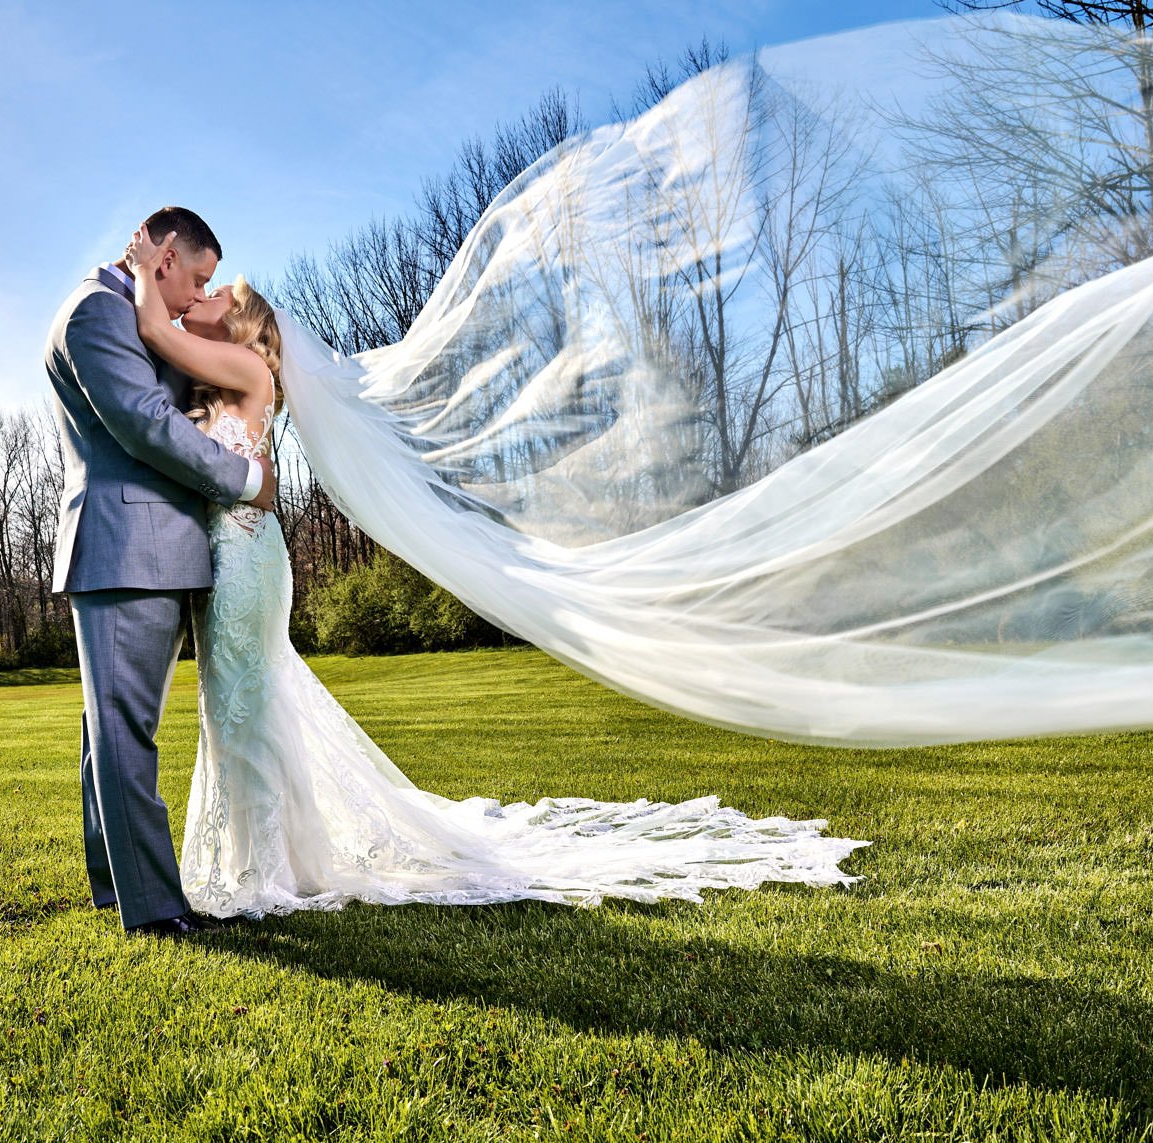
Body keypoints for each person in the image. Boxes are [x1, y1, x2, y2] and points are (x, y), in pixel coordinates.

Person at [122, 226, 868, 921]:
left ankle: (260, 877)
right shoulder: (214, 384)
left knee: (246, 712)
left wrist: (141, 263)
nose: (200, 299)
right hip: (236, 559)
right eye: (198, 284)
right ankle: (277, 859)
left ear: (246, 323)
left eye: (216, 292)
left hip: (250, 563)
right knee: (243, 712)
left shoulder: (247, 367)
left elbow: (156, 327)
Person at [42, 206, 277, 938]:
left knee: (109, 728)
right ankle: (153, 909)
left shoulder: (127, 308)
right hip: (125, 546)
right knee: (122, 729)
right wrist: (243, 480)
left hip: (151, 545)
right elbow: (146, 422)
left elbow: (174, 370)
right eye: (197, 279)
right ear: (166, 254)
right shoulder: (95, 314)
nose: (190, 298)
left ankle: (118, 888)